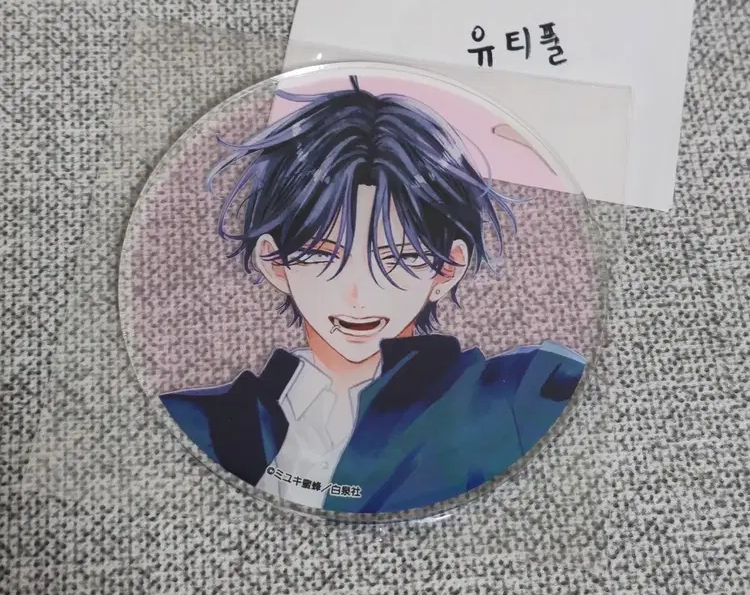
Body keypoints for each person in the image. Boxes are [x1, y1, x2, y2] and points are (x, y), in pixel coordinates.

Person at [160, 77, 585, 514]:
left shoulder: (520, 393)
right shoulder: (195, 419)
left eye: (397, 258)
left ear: (447, 268)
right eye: (323, 256)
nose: (357, 294)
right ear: (275, 262)